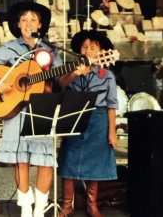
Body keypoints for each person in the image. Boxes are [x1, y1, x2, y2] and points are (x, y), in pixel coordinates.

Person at [0, 2, 63, 217]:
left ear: (40, 24)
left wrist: (77, 72)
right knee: (20, 159)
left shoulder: (50, 51)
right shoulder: (10, 48)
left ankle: (40, 210)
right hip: (15, 109)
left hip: (41, 107)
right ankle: (25, 208)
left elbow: (62, 79)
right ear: (17, 24)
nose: (28, 23)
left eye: (33, 19)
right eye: (24, 19)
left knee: (44, 159)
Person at [56, 30, 118, 217]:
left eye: (93, 47)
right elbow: (62, 84)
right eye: (84, 47)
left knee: (95, 163)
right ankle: (67, 205)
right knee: (68, 160)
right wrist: (75, 73)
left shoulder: (107, 75)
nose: (88, 50)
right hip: (74, 115)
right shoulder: (71, 69)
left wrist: (112, 132)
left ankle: (92, 204)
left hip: (98, 120)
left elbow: (111, 105)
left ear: (101, 51)